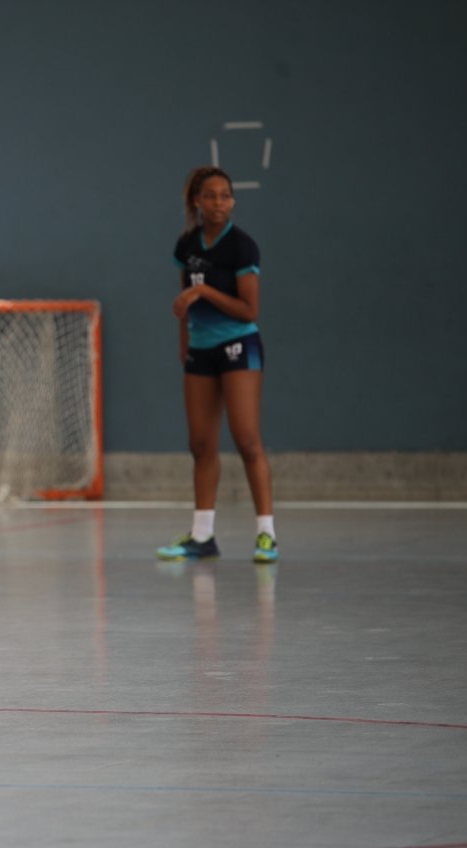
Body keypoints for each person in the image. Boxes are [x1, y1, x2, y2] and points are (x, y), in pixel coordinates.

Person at [156, 166, 278, 564]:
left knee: (247, 440)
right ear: (197, 201)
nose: (219, 202)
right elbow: (185, 303)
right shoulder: (187, 246)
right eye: (210, 196)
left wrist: (205, 290)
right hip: (201, 350)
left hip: (239, 345)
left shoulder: (242, 247)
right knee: (201, 444)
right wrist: (185, 346)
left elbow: (249, 310)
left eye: (226, 195)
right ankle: (202, 535)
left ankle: (266, 534)